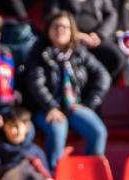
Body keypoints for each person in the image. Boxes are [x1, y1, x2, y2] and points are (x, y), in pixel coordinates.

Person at [23, 10, 111, 168]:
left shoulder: (79, 53)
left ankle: (91, 174)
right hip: (45, 108)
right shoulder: (38, 52)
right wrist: (51, 107)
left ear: (73, 31)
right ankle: (53, 178)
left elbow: (103, 76)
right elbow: (36, 83)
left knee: (98, 131)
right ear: (48, 29)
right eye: (56, 26)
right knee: (58, 129)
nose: (60, 30)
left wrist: (89, 104)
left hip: (73, 106)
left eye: (65, 27)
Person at [43, 0, 125, 79]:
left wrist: (99, 35)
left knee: (116, 57)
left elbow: (111, 14)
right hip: (69, 38)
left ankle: (99, 87)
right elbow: (52, 15)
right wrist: (74, 34)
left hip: (95, 38)